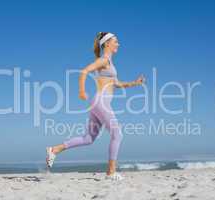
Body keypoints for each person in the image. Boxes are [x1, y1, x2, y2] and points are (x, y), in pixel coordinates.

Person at [46, 32, 145, 181]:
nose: (118, 44)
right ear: (107, 44)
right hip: (101, 102)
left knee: (88, 138)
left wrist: (135, 83)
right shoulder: (103, 60)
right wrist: (81, 91)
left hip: (98, 103)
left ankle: (54, 149)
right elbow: (84, 71)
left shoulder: (110, 63)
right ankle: (111, 172)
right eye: (115, 41)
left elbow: (116, 84)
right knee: (117, 134)